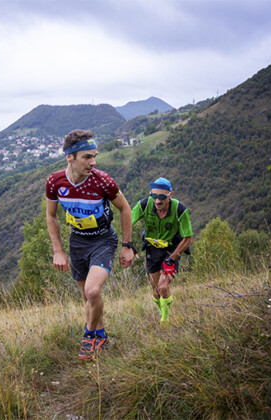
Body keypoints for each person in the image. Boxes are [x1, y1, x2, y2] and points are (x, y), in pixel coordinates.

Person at [46, 129, 136, 361]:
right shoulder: (55, 182)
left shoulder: (102, 180)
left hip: (103, 239)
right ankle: (101, 335)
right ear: (70, 157)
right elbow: (51, 215)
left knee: (93, 290)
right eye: (87, 157)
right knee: (89, 298)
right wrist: (58, 250)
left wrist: (127, 245)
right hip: (77, 241)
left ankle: (88, 337)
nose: (93, 162)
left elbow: (125, 208)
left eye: (94, 156)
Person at [131, 177, 193, 323]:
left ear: (170, 195)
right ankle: (162, 311)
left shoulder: (180, 210)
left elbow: (188, 238)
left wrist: (172, 258)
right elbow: (127, 220)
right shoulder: (144, 205)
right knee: (156, 291)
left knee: (163, 287)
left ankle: (165, 320)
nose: (157, 201)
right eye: (154, 196)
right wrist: (128, 244)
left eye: (162, 197)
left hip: (171, 249)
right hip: (152, 248)